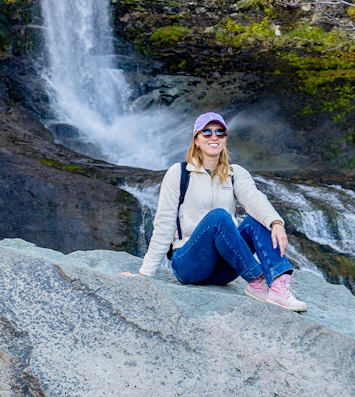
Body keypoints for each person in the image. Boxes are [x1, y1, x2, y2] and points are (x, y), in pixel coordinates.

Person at [121, 111, 307, 312]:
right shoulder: (179, 173)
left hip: (224, 269)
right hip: (189, 264)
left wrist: (276, 223)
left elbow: (254, 199)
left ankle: (278, 284)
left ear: (225, 139)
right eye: (207, 132)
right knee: (219, 217)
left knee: (257, 220)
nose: (214, 137)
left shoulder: (235, 173)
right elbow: (164, 223)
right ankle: (258, 280)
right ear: (197, 140)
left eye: (220, 132)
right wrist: (145, 274)